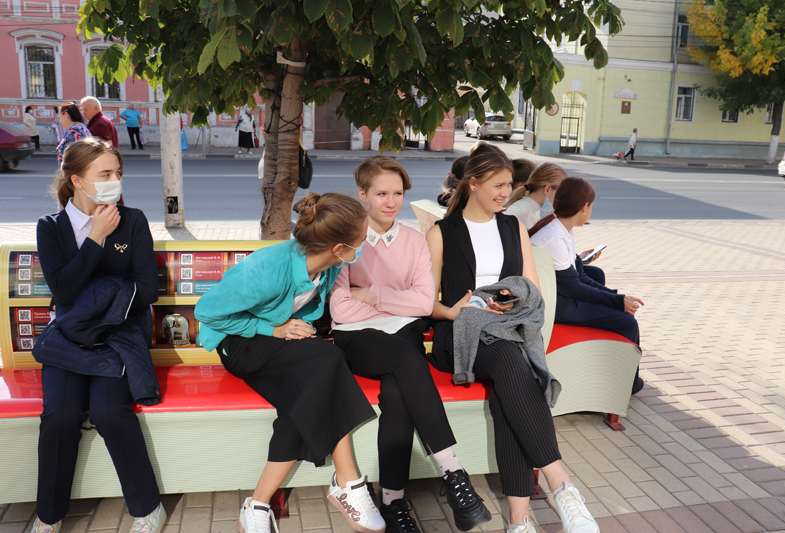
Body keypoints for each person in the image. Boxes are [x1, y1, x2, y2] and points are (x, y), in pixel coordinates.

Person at [426, 141, 599, 533]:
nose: (508, 192)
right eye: (499, 185)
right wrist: (457, 309)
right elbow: (426, 302)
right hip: (459, 333)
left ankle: (520, 522)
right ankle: (562, 485)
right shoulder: (442, 233)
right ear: (473, 184)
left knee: (511, 387)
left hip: (506, 328)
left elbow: (532, 289)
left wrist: (509, 299)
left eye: (509, 184)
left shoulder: (512, 227)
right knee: (513, 362)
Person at [193, 192, 386, 533]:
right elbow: (206, 312)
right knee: (329, 361)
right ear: (338, 248)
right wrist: (273, 329)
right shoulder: (269, 268)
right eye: (360, 241)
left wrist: (293, 328)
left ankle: (257, 504)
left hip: (279, 341)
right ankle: (348, 481)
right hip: (239, 343)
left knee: (306, 395)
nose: (364, 246)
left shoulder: (328, 266)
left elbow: (304, 308)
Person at [331, 157, 491, 533]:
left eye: (398, 193)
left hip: (404, 332)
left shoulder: (415, 239)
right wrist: (394, 301)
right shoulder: (346, 238)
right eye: (381, 194)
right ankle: (455, 474)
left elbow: (422, 303)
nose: (391, 202)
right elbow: (340, 308)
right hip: (356, 336)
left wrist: (369, 293)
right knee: (407, 358)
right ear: (362, 194)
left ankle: (393, 503)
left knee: (398, 394)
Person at [31, 137, 165, 533]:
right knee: (59, 414)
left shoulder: (133, 220)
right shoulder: (52, 227)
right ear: (77, 180)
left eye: (117, 173)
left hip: (118, 336)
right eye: (104, 174)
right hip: (68, 336)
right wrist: (95, 238)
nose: (114, 181)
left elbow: (148, 289)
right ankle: (49, 516)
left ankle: (148, 507)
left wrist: (93, 301)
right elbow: (63, 290)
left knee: (109, 411)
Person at [529, 177, 645, 394]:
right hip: (554, 307)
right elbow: (574, 287)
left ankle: (610, 370)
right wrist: (617, 302)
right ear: (584, 207)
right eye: (591, 206)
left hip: (557, 297)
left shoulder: (561, 228)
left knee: (607, 294)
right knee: (628, 322)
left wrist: (618, 298)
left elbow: (579, 276)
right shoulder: (555, 236)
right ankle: (628, 384)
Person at [504, 162, 568, 231]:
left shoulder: (535, 210)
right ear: (547, 189)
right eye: (559, 194)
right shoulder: (521, 210)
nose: (560, 199)